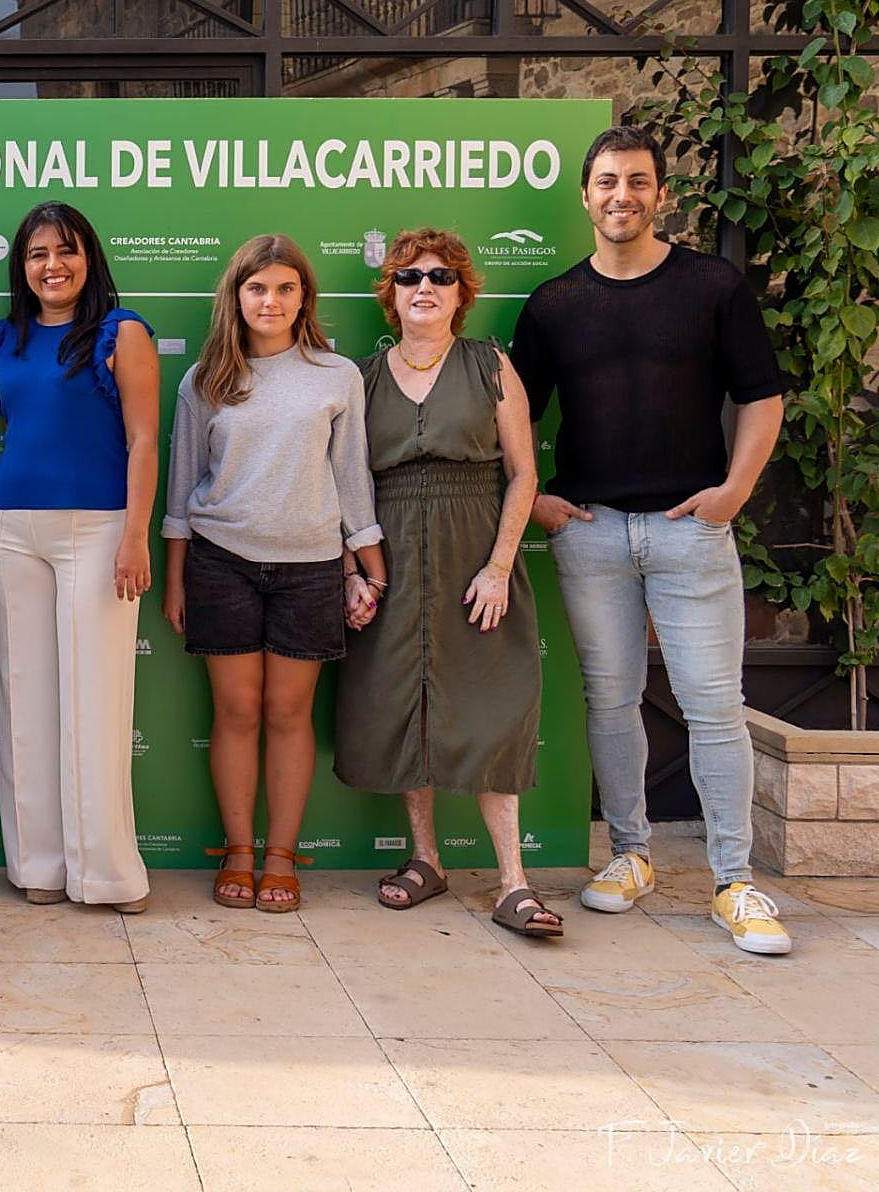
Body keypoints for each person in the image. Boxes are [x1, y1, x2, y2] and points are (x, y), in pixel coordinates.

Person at [511, 124, 790, 955]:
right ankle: (630, 855)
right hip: (591, 532)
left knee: (714, 709)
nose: (621, 196)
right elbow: (512, 418)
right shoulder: (555, 303)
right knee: (610, 701)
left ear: (661, 193)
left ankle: (736, 884)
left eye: (637, 181)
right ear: (585, 197)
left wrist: (734, 493)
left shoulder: (712, 286)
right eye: (606, 182)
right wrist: (537, 506)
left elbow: (762, 396)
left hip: (688, 531)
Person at [334, 229, 560, 937]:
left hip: (475, 554)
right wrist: (351, 573)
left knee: (492, 709)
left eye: (440, 276)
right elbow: (341, 486)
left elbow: (523, 472)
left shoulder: (490, 364)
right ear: (390, 293)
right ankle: (424, 860)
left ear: (462, 292)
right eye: (408, 277)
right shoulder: (361, 378)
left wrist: (499, 566)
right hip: (389, 555)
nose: (423, 287)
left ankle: (512, 883)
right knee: (404, 704)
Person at [162, 235, 384, 912]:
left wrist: (370, 563)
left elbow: (351, 477)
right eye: (258, 288)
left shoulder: (335, 374)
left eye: (286, 288)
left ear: (303, 298)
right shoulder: (205, 378)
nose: (272, 301)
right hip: (220, 562)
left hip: (310, 567)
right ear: (237, 296)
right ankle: (236, 850)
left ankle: (281, 858)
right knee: (235, 711)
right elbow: (181, 488)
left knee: (289, 714)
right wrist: (175, 579)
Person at [0, 201, 157, 913]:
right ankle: (40, 869)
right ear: (21, 268)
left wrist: (135, 536)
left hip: (100, 529)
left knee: (97, 705)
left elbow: (145, 440)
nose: (52, 266)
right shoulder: (5, 338)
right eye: (37, 255)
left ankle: (107, 876)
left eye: (66, 251)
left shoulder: (124, 333)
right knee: (25, 703)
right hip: (11, 528)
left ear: (89, 258)